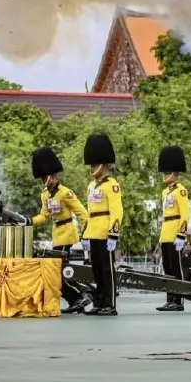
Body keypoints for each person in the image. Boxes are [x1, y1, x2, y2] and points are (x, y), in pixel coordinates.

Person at [29, 146, 90, 314]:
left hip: (68, 233)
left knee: (57, 271)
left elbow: (83, 213)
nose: (44, 181)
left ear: (54, 176)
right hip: (57, 234)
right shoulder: (45, 195)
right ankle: (79, 296)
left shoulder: (65, 193)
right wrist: (28, 221)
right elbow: (44, 217)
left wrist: (87, 234)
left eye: (46, 177)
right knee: (60, 270)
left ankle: (79, 296)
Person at [81, 132, 123, 316]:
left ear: (104, 165)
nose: (92, 167)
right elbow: (89, 212)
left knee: (107, 271)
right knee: (97, 271)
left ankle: (110, 304)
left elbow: (117, 211)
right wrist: (85, 234)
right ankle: (99, 302)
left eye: (94, 164)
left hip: (106, 232)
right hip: (93, 232)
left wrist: (113, 234)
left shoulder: (111, 185)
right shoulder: (91, 186)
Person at [156, 145, 190, 312]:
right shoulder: (165, 192)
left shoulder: (181, 191)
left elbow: (185, 215)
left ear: (174, 173)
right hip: (166, 232)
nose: (164, 175)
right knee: (168, 270)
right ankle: (170, 299)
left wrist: (181, 235)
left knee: (177, 269)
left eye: (167, 172)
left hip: (175, 232)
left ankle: (179, 300)